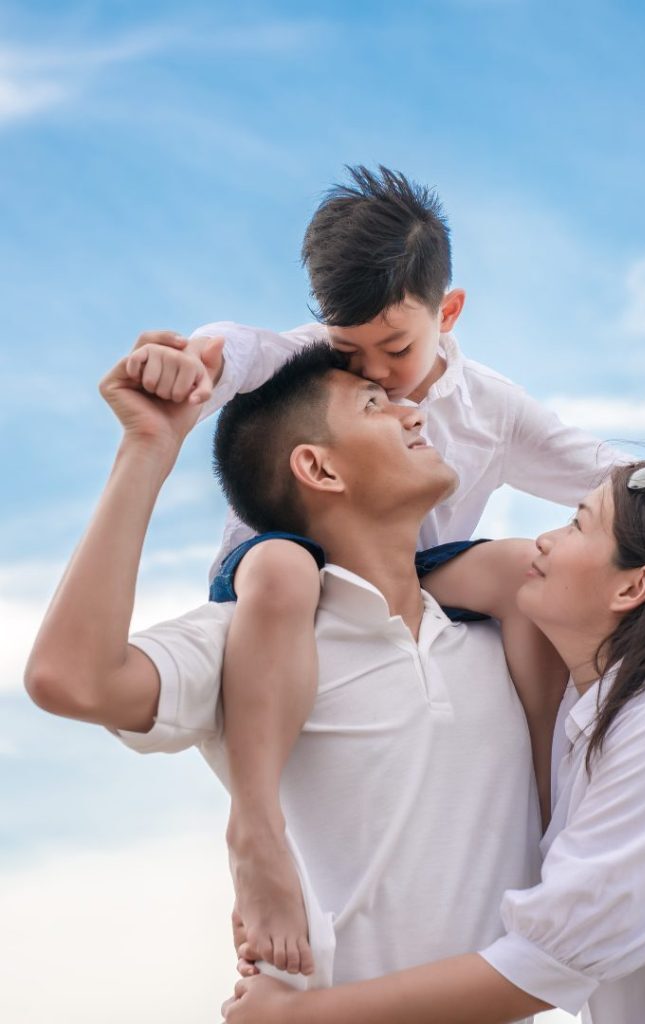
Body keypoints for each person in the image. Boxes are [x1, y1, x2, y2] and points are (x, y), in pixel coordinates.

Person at [132, 165, 618, 975]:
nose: (377, 375)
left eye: (396, 347)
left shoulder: (491, 408)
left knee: (518, 574)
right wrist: (189, 362)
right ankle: (254, 827)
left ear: (448, 312)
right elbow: (238, 345)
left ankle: (548, 812)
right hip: (281, 566)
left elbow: (591, 467)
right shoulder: (317, 362)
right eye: (350, 350)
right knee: (288, 569)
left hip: (412, 576)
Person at [221, 458, 645, 1024]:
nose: (543, 539)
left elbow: (538, 968)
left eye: (576, 525)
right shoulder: (602, 711)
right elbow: (405, 581)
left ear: (632, 586)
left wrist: (298, 1014)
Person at [24, 338, 542, 1013]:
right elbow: (70, 678)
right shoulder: (255, 640)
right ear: (318, 468)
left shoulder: (499, 632)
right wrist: (147, 447)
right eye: (375, 405)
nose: (413, 414)